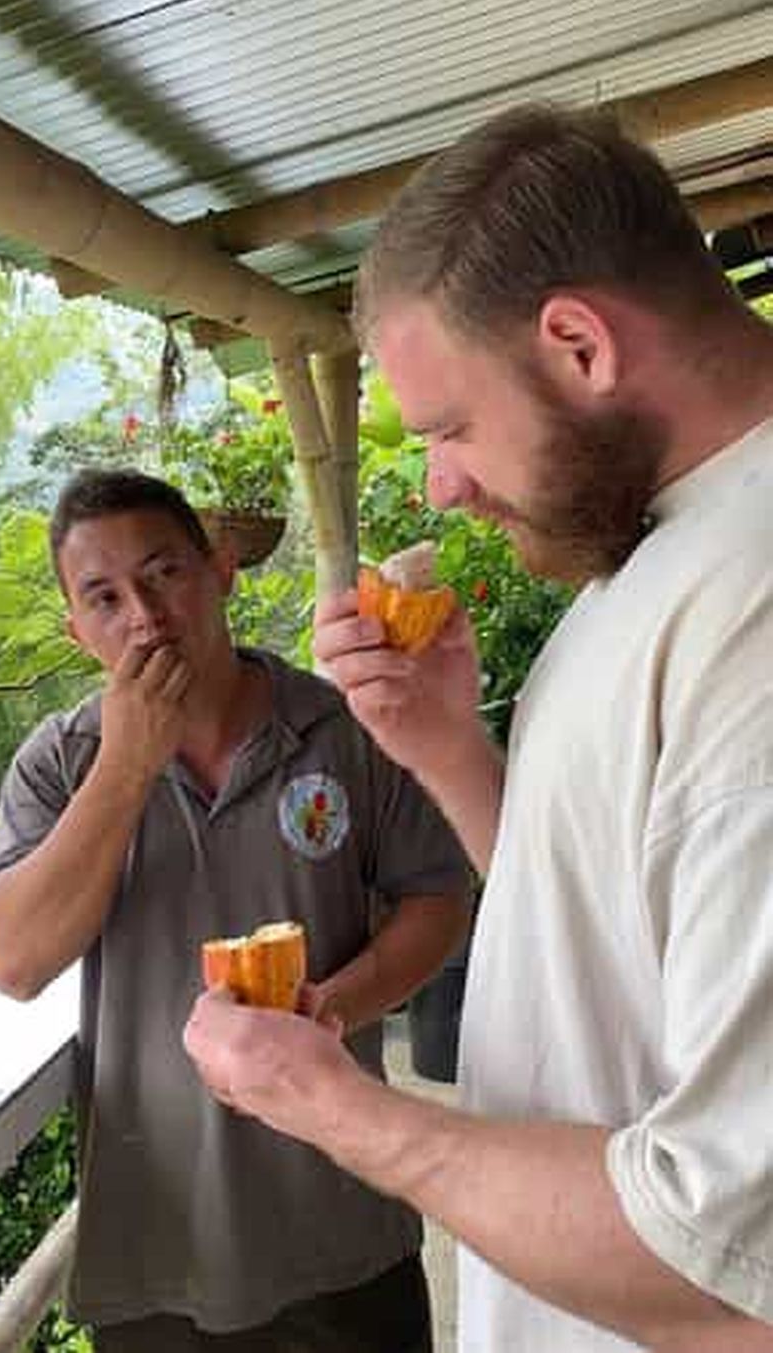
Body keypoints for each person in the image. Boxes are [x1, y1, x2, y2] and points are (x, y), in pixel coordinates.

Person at [182, 104, 773, 1352]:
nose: (442, 481)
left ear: (577, 344)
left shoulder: (753, 608)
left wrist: (345, 1114)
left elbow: (732, 1268)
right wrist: (450, 749)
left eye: (449, 426)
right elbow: (610, 938)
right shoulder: (659, 550)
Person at [0, 467, 472, 1353]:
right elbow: (12, 962)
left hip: (344, 1222)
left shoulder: (344, 729)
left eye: (164, 571)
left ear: (222, 568)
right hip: (155, 1249)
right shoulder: (60, 763)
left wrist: (335, 1008)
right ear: (77, 628)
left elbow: (437, 897)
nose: (144, 613)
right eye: (104, 596)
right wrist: (127, 763)